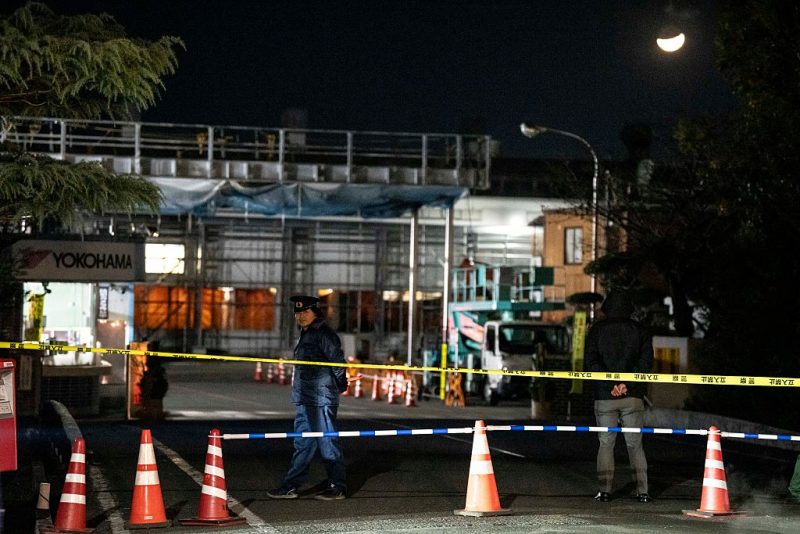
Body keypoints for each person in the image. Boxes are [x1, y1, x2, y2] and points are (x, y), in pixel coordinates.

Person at [268, 295, 349, 501]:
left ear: (315, 312)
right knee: (302, 443)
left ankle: (337, 485)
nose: (301, 316)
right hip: (305, 397)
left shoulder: (323, 333)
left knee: (327, 441)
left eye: (305, 312)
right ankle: (290, 485)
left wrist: (340, 385)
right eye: (298, 313)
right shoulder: (306, 334)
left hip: (321, 398)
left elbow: (338, 363)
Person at [585, 290, 653, 503]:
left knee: (606, 443)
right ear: (629, 308)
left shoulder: (597, 330)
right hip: (633, 396)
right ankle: (642, 491)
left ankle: (604, 491)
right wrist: (626, 385)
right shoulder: (640, 331)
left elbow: (591, 362)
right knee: (635, 444)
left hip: (605, 396)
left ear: (607, 307)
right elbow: (645, 363)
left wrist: (611, 385)